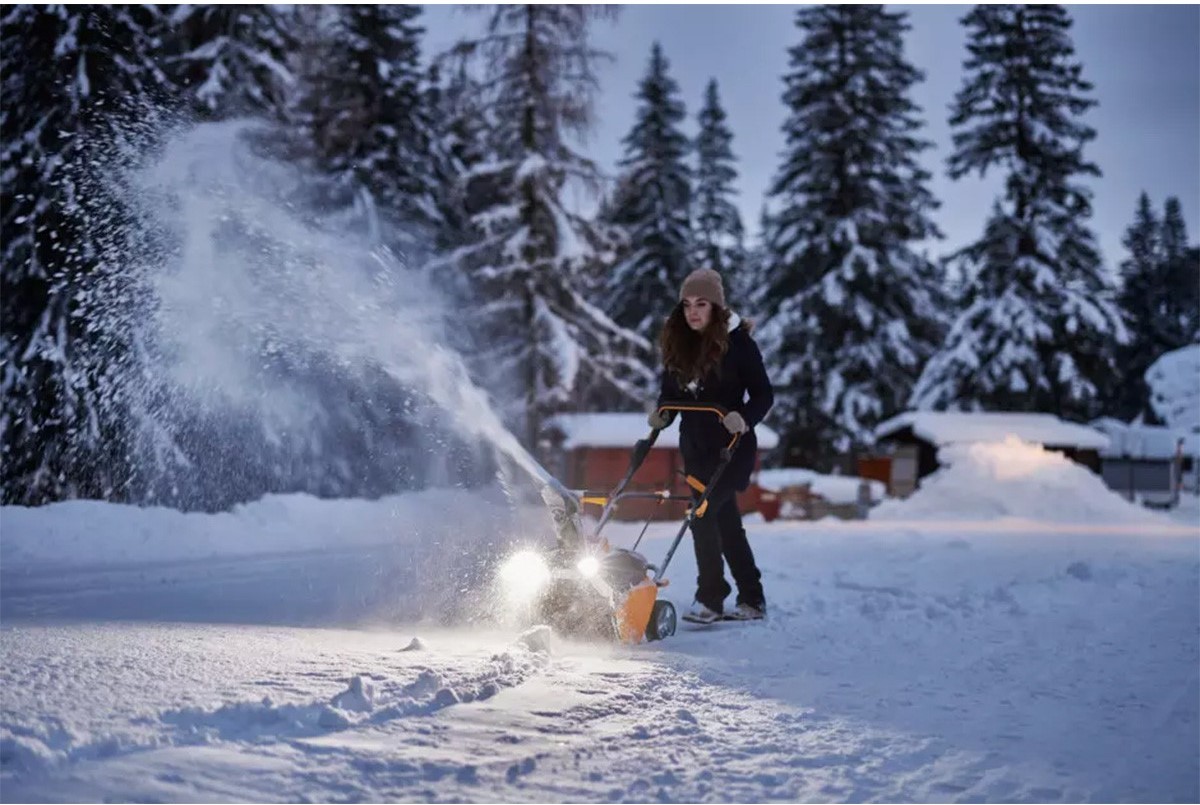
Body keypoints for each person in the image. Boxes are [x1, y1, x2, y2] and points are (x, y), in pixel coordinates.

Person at [649, 267, 774, 623]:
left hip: (731, 446)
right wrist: (662, 414)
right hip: (696, 448)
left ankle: (711, 597)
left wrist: (744, 417)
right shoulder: (679, 343)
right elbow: (670, 393)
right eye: (687, 304)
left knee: (701, 515)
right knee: (726, 523)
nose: (693, 312)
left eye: (701, 304)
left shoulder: (739, 345)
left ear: (716, 307)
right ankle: (752, 598)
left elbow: (764, 394)